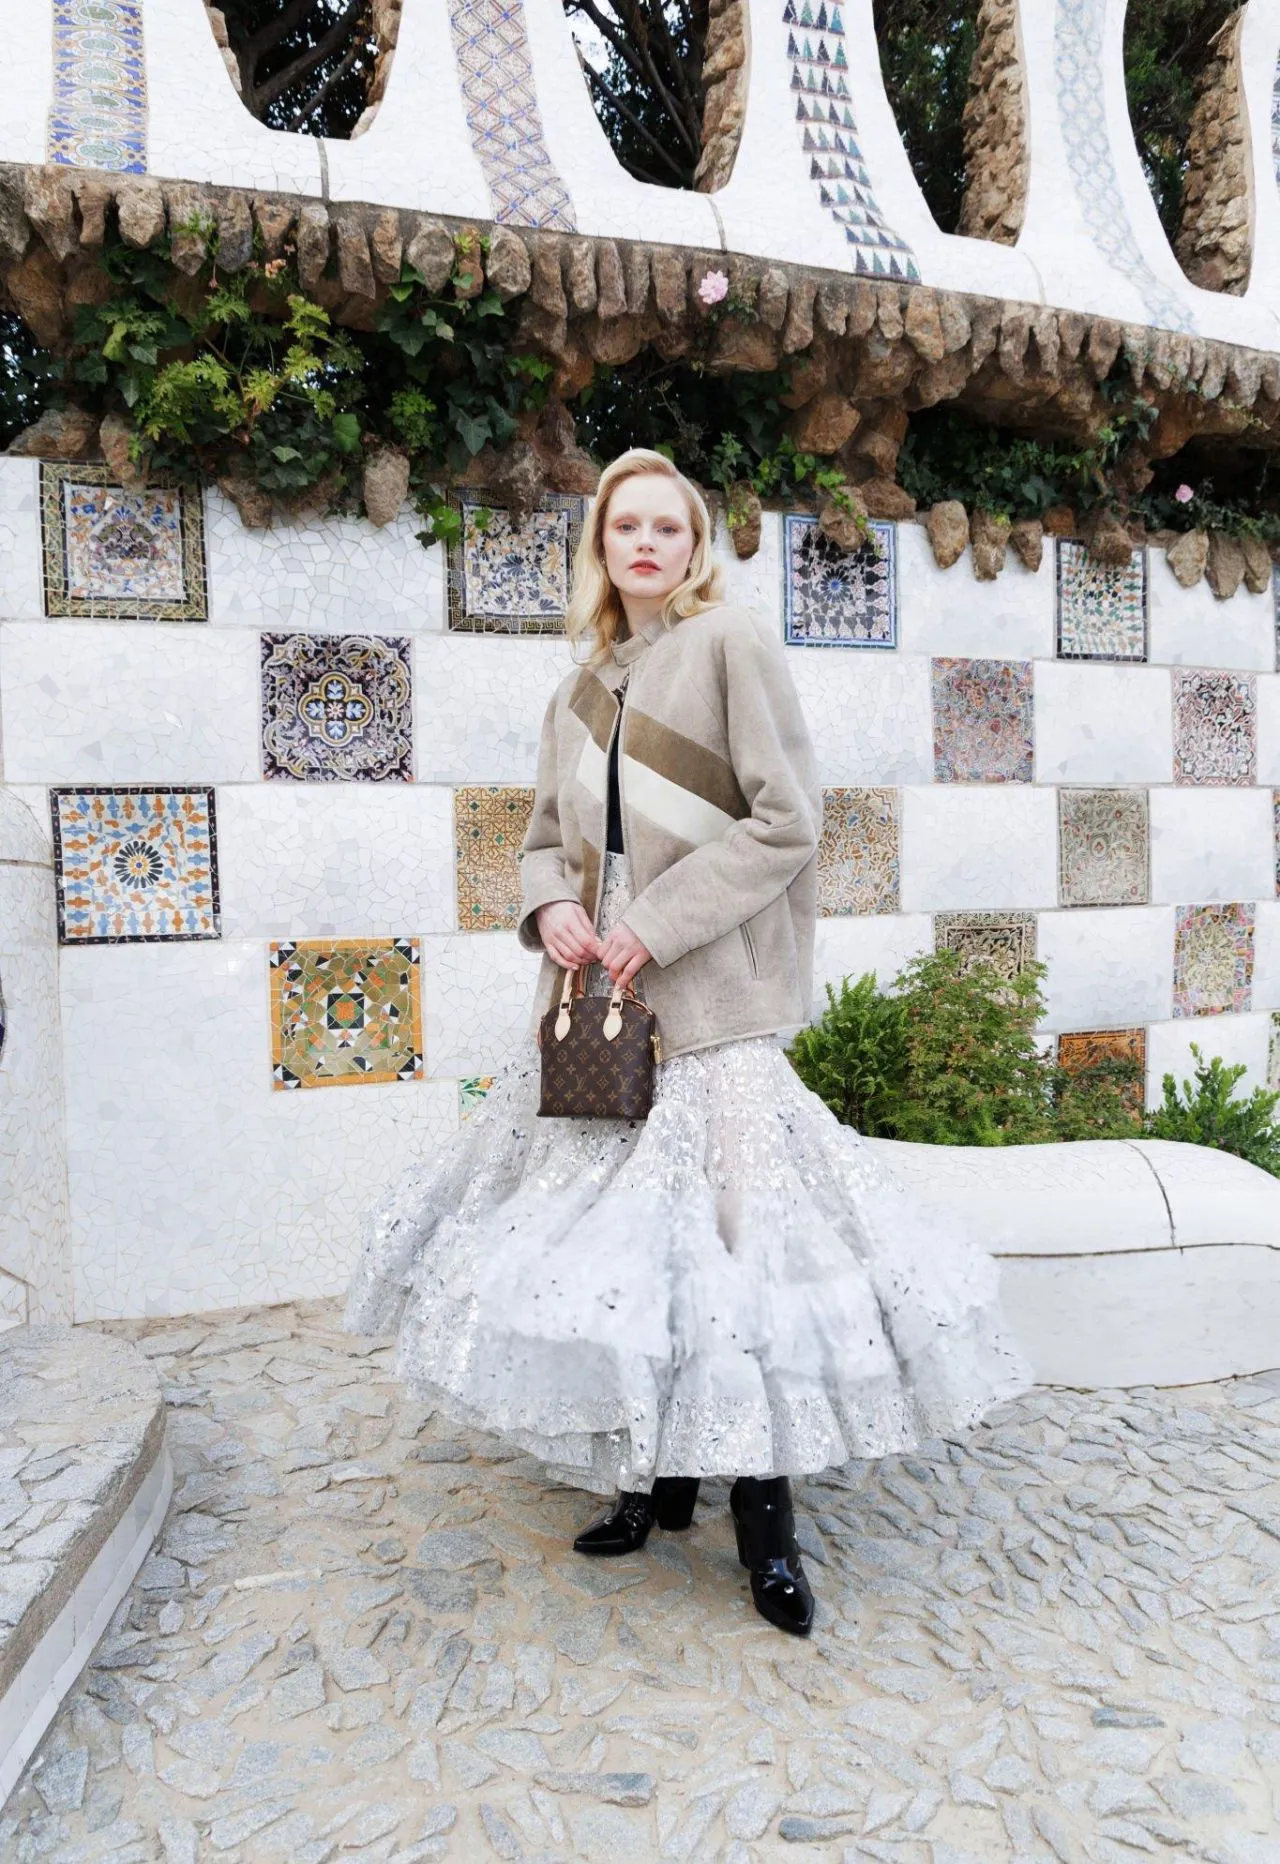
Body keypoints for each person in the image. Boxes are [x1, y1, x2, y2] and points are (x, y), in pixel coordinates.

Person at [346, 447, 1030, 1638]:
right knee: (634, 1268)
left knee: (735, 1262)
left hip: (709, 1008)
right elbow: (545, 840)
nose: (648, 544)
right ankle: (652, 1485)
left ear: (694, 542)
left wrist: (651, 922)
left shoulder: (730, 646)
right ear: (602, 547)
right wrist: (548, 903)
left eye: (669, 526)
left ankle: (766, 1531)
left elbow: (787, 822)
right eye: (627, 528)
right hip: (604, 1018)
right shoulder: (577, 690)